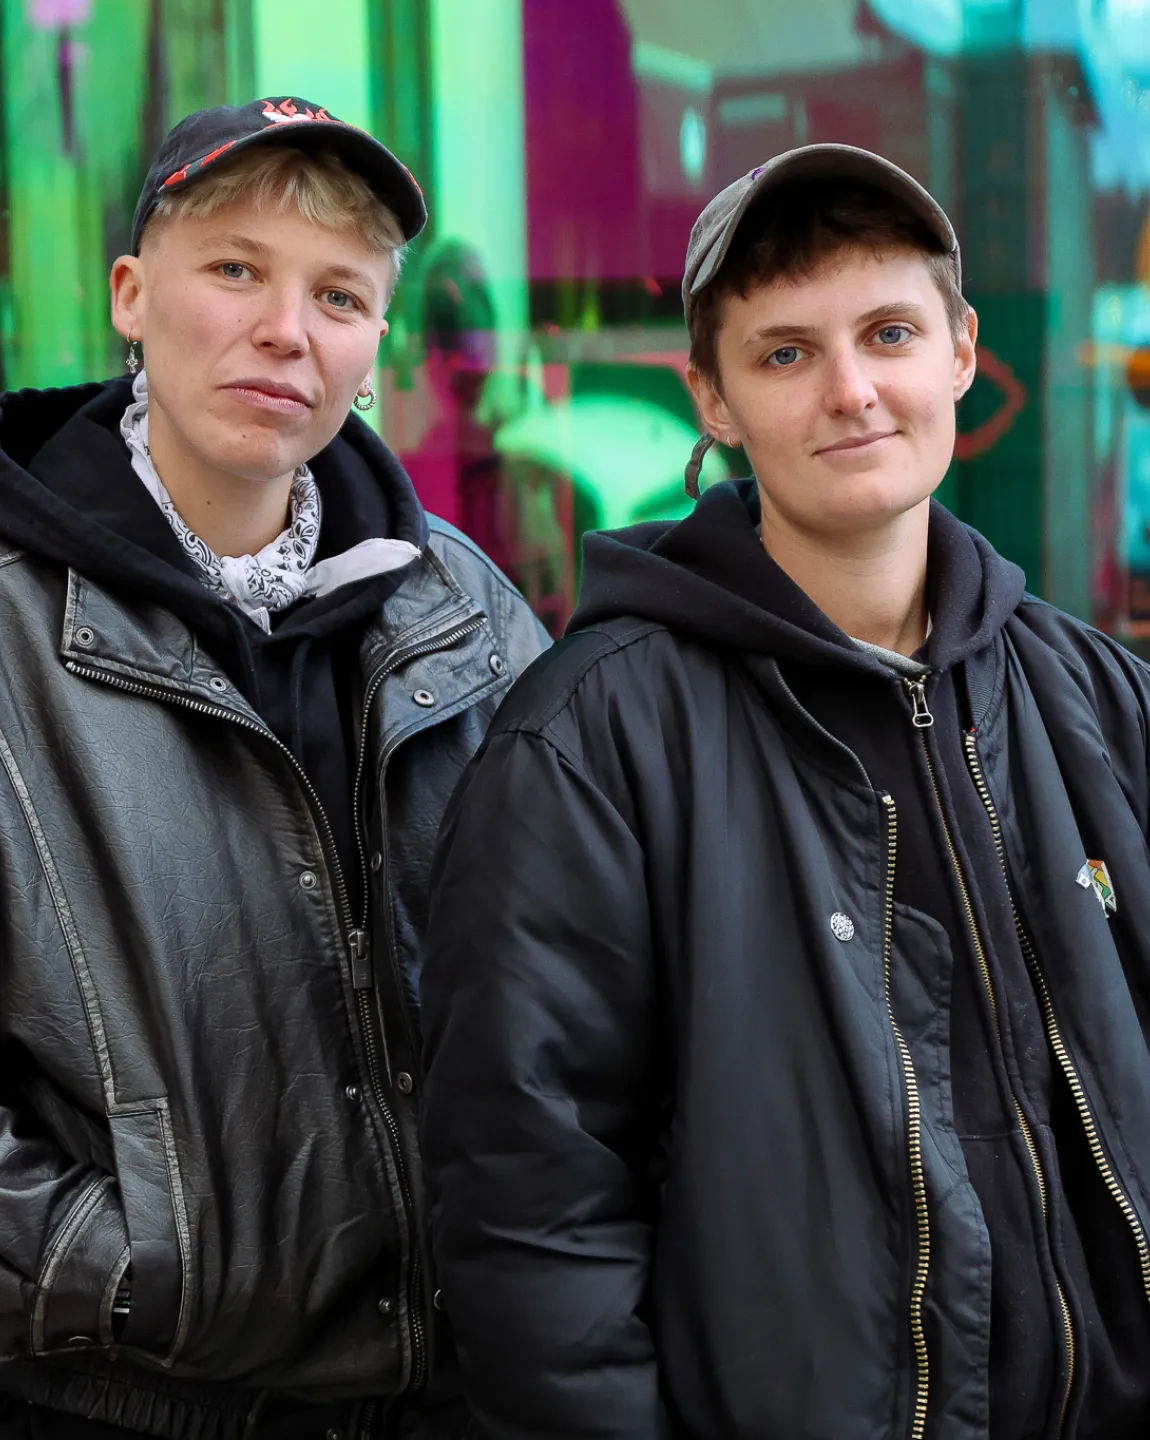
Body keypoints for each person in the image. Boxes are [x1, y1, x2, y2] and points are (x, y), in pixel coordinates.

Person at [420, 144, 1150, 1438]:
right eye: (784, 353)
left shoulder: (1093, 700)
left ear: (960, 351)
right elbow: (529, 1213)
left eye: (886, 333)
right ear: (710, 396)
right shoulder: (590, 742)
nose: (852, 390)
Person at [0, 96, 546, 1439]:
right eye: (235, 269)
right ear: (133, 294)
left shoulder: (466, 611)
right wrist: (113, 1269)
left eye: (341, 296)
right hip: (123, 1397)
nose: (285, 331)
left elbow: (584, 980)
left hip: (455, 1392)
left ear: (375, 340)